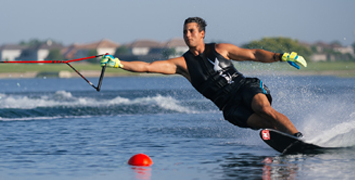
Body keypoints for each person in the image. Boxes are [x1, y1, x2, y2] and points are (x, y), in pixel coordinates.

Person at [100, 17, 307, 137]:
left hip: (245, 88)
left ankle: (298, 137)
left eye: (191, 31)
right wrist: (118, 63)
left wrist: (281, 56)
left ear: (202, 34)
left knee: (264, 109)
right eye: (184, 32)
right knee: (264, 123)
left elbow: (253, 54)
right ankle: (291, 141)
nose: (187, 35)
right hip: (229, 107)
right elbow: (147, 66)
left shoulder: (220, 48)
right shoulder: (182, 64)